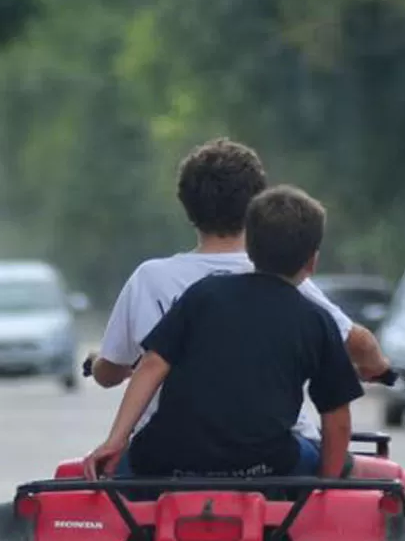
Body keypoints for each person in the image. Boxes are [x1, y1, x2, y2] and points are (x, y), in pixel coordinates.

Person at [86, 137, 386, 447]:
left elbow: (110, 372)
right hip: (275, 452)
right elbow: (357, 341)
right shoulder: (282, 277)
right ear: (258, 206)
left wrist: (98, 363)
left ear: (186, 205)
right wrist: (377, 366)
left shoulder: (148, 279)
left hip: (170, 451)